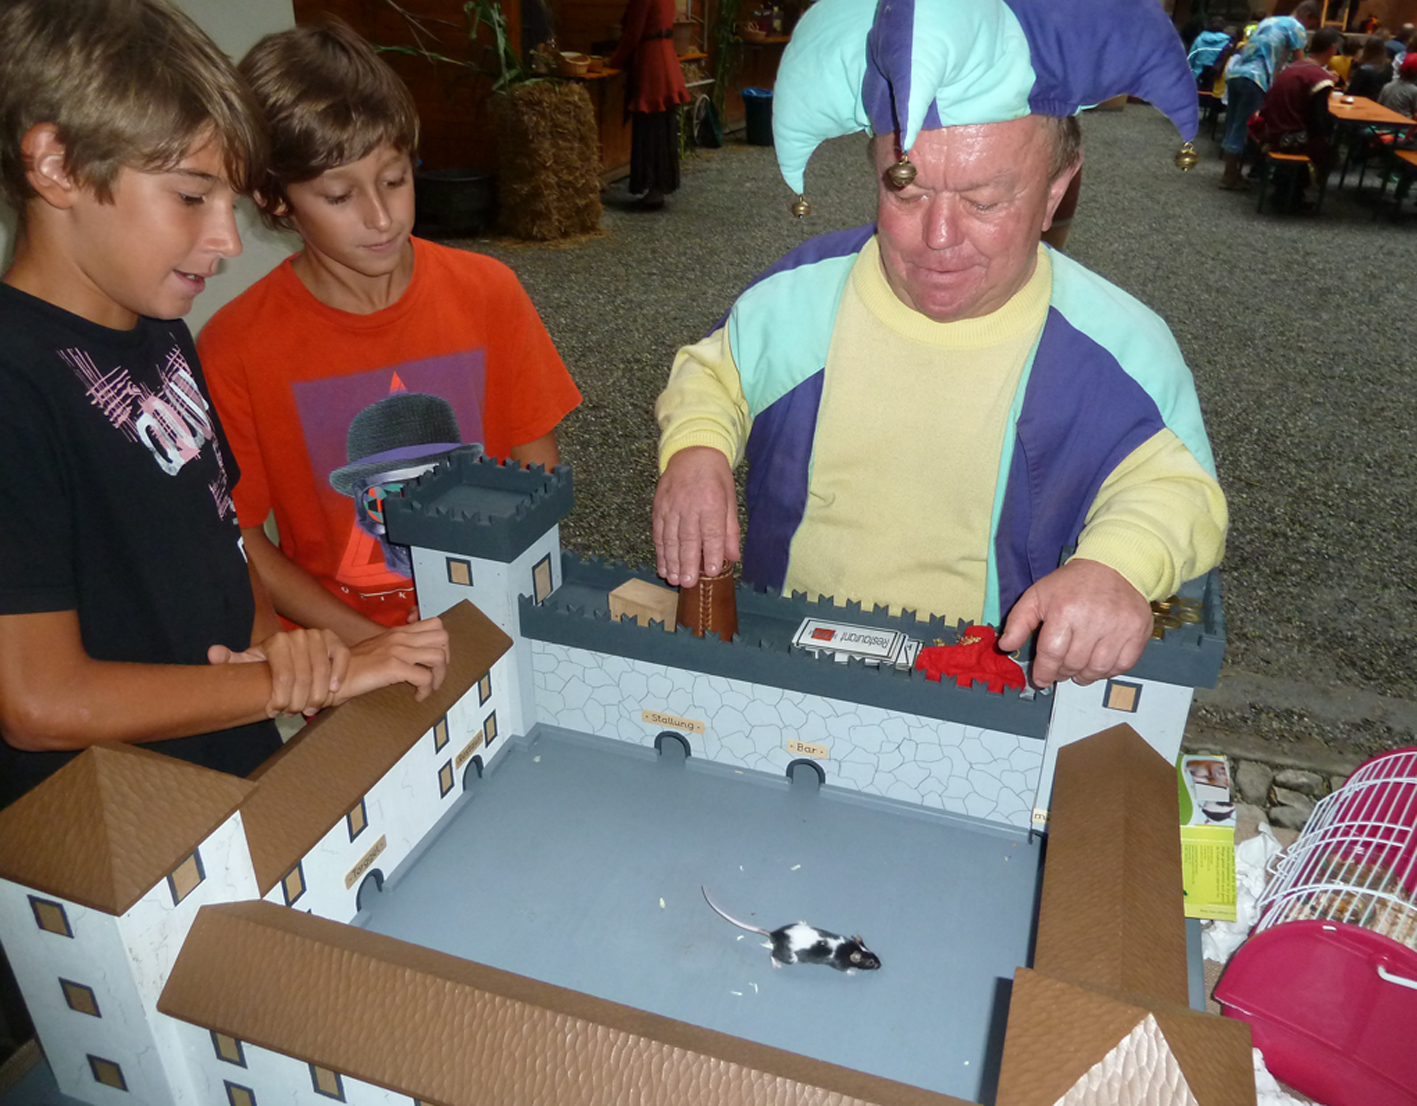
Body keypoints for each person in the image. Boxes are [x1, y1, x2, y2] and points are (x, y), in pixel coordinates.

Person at [652, 0, 1228, 690]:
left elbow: (1177, 488)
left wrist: (1115, 566)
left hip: (985, 684)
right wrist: (696, 449)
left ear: (1055, 192)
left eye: (984, 201)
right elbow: (714, 375)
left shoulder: (1122, 348)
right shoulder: (800, 298)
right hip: (789, 658)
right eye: (906, 191)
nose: (939, 239)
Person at [0, 0, 451, 809]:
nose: (229, 241)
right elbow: (40, 703)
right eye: (190, 196)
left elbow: (219, 533)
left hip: (230, 763)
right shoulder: (15, 384)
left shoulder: (161, 333)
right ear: (57, 167)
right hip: (112, 821)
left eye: (230, 202)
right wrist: (290, 682)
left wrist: (281, 650)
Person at [199, 19, 581, 645]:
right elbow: (238, 537)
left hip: (493, 617)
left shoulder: (490, 292)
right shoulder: (235, 346)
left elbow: (535, 473)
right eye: (338, 195)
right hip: (345, 648)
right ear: (275, 199)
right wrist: (370, 643)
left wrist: (496, 599)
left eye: (395, 180)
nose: (380, 218)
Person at [1220, 1, 1322, 188]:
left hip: (1237, 73)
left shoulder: (1269, 21)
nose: (1307, 29)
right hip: (1256, 78)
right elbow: (1300, 65)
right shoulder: (1296, 27)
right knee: (1249, 127)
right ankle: (1231, 176)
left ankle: (1231, 171)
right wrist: (1321, 72)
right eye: (1311, 24)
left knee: (1233, 123)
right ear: (1307, 14)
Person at [607, 0, 691, 210]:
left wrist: (613, 61)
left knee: (651, 128)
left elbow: (633, 34)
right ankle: (658, 187)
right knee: (662, 127)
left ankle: (654, 189)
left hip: (652, 65)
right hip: (665, 59)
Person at [1257, 26, 1342, 209]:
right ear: (1332, 49)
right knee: (1331, 149)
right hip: (1288, 137)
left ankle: (1286, 188)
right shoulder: (1319, 77)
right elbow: (1318, 119)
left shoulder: (1294, 66)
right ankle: (1294, 194)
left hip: (1270, 129)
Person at [1189, 16, 1234, 85]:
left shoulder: (1200, 39)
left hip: (1197, 77)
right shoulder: (1227, 42)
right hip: (1216, 80)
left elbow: (1191, 57)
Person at [1379, 51, 1417, 116]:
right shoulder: (1414, 91)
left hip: (1383, 119)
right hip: (1404, 121)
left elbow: (1379, 105)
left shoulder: (1388, 86)